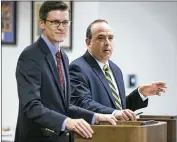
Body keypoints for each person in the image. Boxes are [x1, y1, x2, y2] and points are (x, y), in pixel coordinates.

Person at [14, 3, 118, 142]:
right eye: (55, 22)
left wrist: (95, 117)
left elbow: (65, 105)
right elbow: (32, 106)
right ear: (42, 24)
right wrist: (66, 122)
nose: (61, 27)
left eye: (65, 22)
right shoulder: (30, 56)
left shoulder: (63, 57)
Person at [69, 19, 167, 121]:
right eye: (101, 38)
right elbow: (83, 104)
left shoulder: (115, 69)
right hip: (94, 134)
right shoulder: (78, 68)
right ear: (89, 42)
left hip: (118, 133)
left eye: (110, 38)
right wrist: (115, 113)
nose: (107, 43)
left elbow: (120, 108)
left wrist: (140, 93)